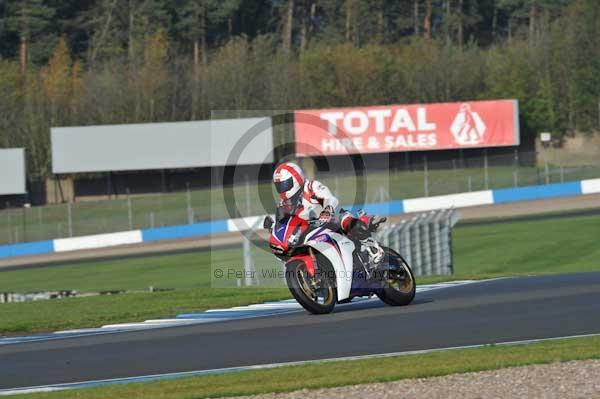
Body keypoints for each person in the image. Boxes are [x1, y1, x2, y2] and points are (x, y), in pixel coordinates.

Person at [272, 161, 387, 264]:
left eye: (284, 185)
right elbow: (283, 225)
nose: (282, 190)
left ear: (296, 179)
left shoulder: (311, 187)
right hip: (310, 233)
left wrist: (327, 210)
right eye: (279, 186)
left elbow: (330, 199)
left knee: (348, 223)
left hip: (332, 220)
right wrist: (273, 228)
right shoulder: (284, 205)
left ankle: (373, 248)